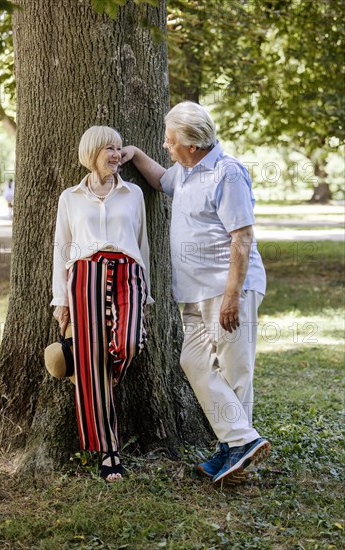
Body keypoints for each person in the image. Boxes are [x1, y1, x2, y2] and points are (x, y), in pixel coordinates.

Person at [121, 101, 270, 485]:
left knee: (235, 372)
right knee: (195, 363)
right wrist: (135, 154)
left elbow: (242, 237)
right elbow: (159, 180)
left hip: (226, 288)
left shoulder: (227, 172)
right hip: (193, 294)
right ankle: (239, 441)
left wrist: (232, 296)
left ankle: (234, 452)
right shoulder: (185, 172)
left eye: (170, 141)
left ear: (190, 142)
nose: (166, 147)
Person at [51, 126, 152, 482]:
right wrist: (60, 300)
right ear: (92, 151)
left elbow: (143, 244)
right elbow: (61, 249)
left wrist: (147, 292)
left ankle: (100, 380)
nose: (117, 154)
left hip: (127, 273)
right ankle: (110, 452)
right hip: (85, 276)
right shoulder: (70, 197)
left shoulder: (133, 193)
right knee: (91, 362)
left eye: (120, 148)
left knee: (128, 343)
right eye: (110, 148)